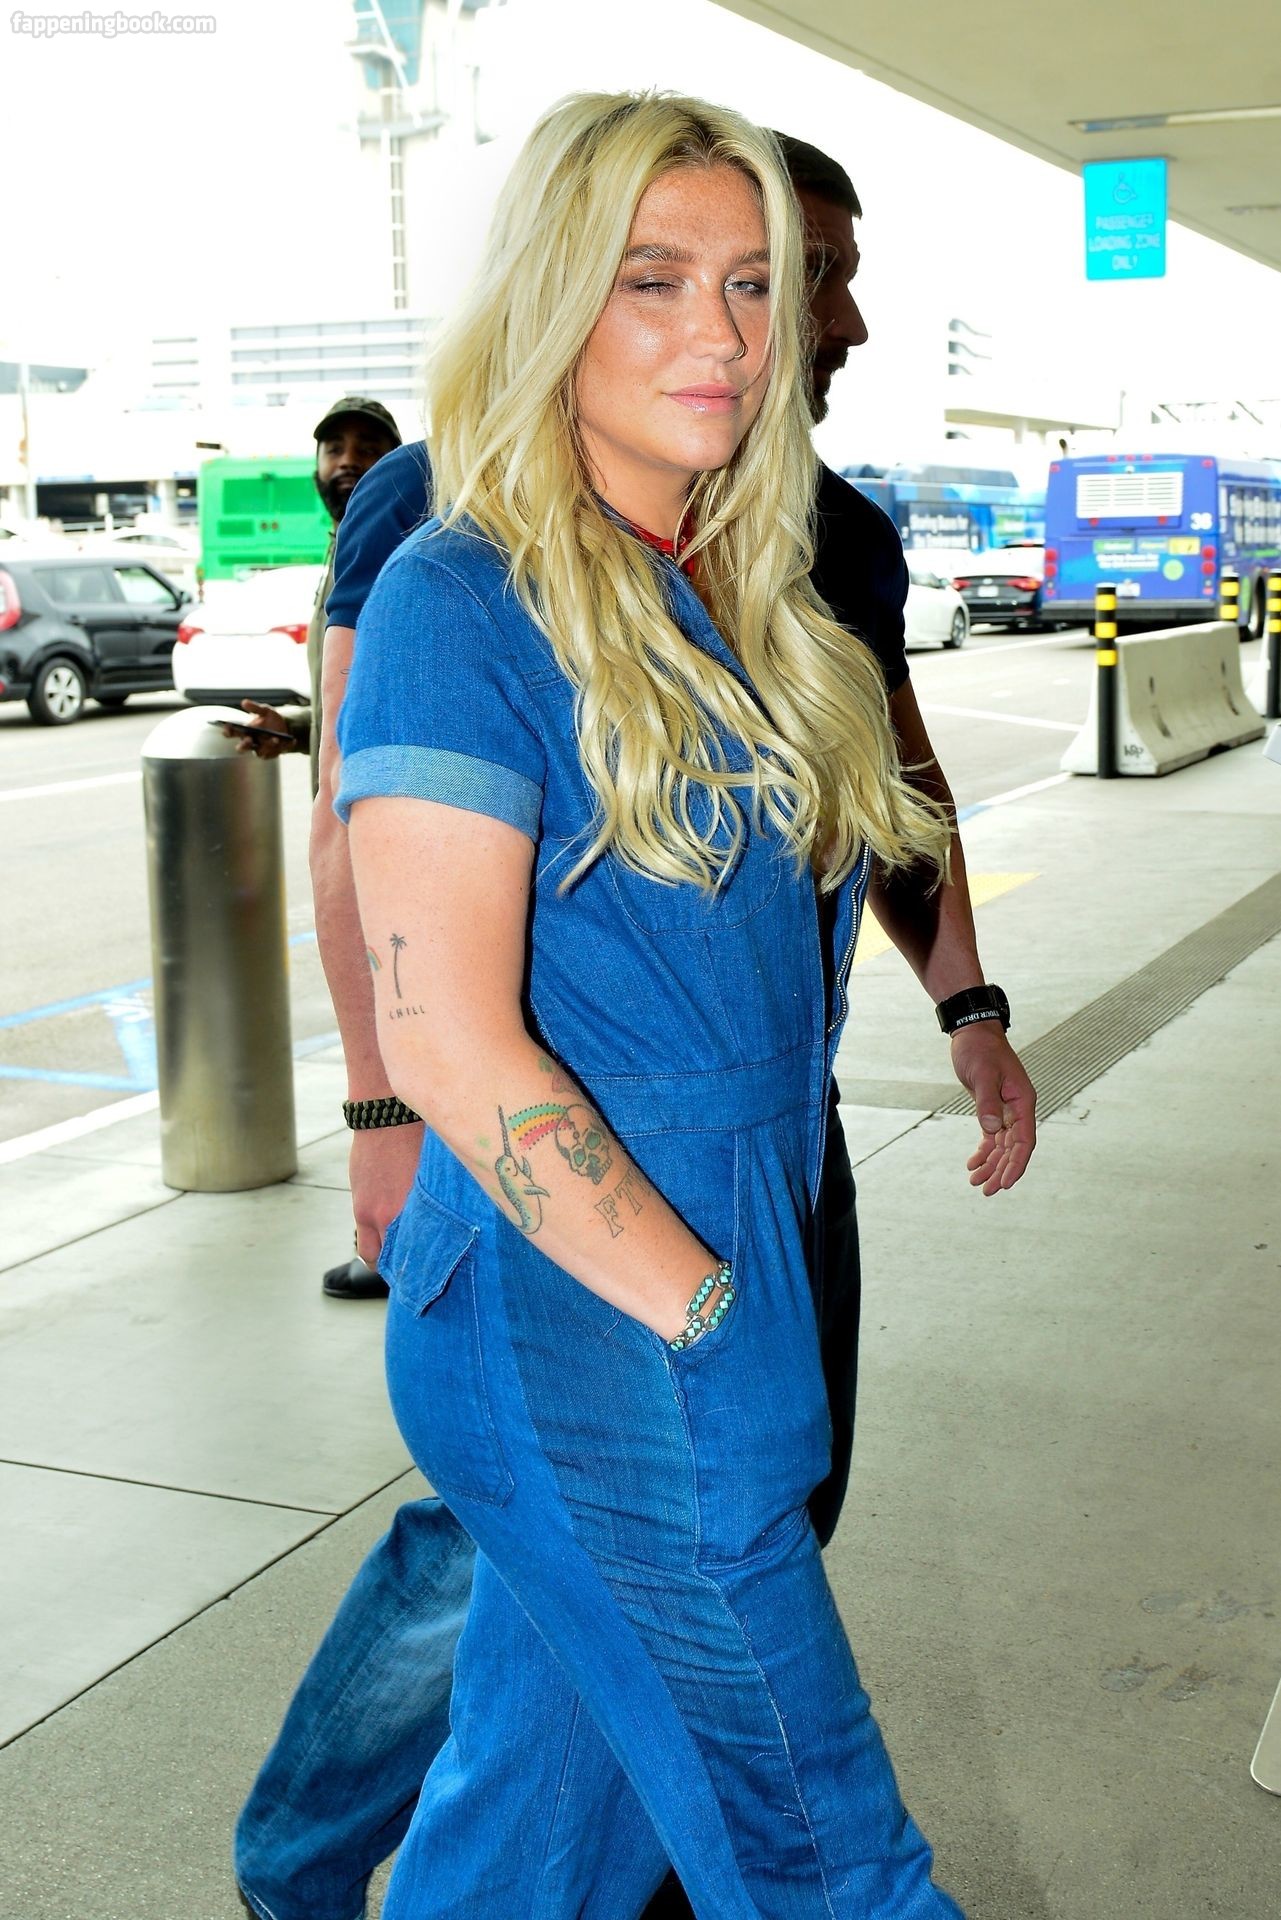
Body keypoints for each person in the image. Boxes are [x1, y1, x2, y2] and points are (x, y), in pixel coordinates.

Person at [234, 125, 1036, 1920]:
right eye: (653, 281)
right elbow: (449, 1034)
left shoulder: (754, 588)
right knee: (831, 1859)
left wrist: (963, 1007)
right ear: (548, 303)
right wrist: (704, 1314)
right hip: (587, 1304)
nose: (726, 335)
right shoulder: (462, 589)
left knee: (536, 1841)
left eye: (753, 283)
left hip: (753, 1214)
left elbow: (888, 830)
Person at [223, 393, 403, 1302]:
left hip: (381, 837)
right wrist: (296, 730)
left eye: (368, 445)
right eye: (334, 446)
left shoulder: (398, 536)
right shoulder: (341, 551)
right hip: (349, 816)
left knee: (394, 1023)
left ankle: (396, 1231)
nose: (347, 460)